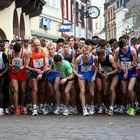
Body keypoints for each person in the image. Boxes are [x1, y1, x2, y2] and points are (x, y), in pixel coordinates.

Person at [25, 38, 48, 116]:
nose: (37, 47)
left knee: (42, 90)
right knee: (35, 89)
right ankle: (34, 108)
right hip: (34, 71)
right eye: (35, 45)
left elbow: (46, 64)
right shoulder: (29, 53)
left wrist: (41, 72)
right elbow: (26, 66)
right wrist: (35, 70)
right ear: (32, 45)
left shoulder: (44, 51)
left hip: (42, 71)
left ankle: (41, 106)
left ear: (40, 45)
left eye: (39, 45)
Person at [114, 38, 138, 116]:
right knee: (124, 91)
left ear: (127, 45)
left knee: (130, 89)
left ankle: (133, 106)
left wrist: (127, 70)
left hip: (131, 70)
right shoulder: (117, 51)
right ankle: (128, 105)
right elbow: (116, 61)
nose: (123, 51)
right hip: (123, 70)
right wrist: (121, 68)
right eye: (122, 49)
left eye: (124, 48)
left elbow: (135, 62)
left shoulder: (132, 50)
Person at [73, 45, 98, 116]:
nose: (86, 55)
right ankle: (84, 108)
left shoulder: (93, 58)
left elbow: (96, 67)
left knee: (92, 93)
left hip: (90, 74)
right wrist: (78, 75)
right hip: (82, 74)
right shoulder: (79, 58)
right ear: (82, 53)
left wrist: (94, 76)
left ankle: (91, 105)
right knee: (82, 90)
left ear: (90, 53)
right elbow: (74, 69)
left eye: (88, 53)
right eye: (85, 53)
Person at [9, 43, 26, 115]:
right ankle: (16, 108)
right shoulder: (10, 53)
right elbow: (9, 63)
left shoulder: (24, 53)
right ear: (13, 50)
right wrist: (13, 66)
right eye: (15, 52)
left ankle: (22, 106)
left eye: (18, 52)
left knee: (23, 90)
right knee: (15, 90)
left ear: (20, 50)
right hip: (13, 72)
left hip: (22, 72)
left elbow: (25, 64)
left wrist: (19, 68)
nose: (17, 53)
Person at [0, 40, 9, 115]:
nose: (3, 47)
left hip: (3, 73)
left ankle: (3, 107)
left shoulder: (3, 55)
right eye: (1, 46)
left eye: (3, 46)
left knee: (3, 89)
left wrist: (2, 74)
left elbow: (7, 66)